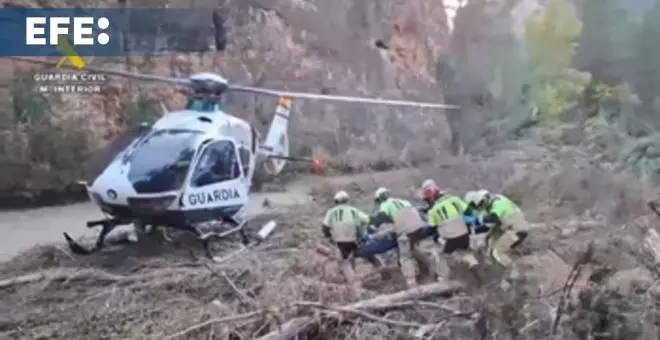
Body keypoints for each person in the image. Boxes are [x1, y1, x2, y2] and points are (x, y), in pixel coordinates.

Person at [369, 187, 435, 288]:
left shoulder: (385, 204)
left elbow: (381, 217)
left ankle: (411, 283)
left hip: (406, 231)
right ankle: (431, 267)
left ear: (380, 199)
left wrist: (372, 228)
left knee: (405, 257)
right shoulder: (403, 201)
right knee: (412, 249)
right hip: (418, 227)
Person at [322, 190, 383, 294]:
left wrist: (329, 237)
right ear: (347, 200)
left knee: (344, 262)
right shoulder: (354, 210)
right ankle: (381, 267)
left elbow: (325, 227)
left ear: (336, 201)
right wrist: (363, 232)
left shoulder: (331, 212)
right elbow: (368, 220)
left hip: (340, 241)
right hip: (354, 240)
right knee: (364, 252)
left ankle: (355, 285)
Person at [423, 182, 479, 281]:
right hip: (464, 233)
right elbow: (468, 211)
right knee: (462, 251)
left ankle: (444, 280)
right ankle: (473, 262)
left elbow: (432, 228)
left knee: (441, 255)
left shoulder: (432, 211)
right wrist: (469, 225)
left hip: (451, 237)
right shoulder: (454, 199)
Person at [469, 189, 529, 280]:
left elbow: (494, 218)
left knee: (497, 252)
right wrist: (475, 229)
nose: (481, 206)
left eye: (481, 203)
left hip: (516, 230)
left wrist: (480, 219)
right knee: (489, 241)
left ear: (486, 198)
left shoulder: (498, 203)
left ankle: (515, 274)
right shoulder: (494, 203)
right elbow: (491, 225)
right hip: (508, 227)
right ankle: (498, 271)